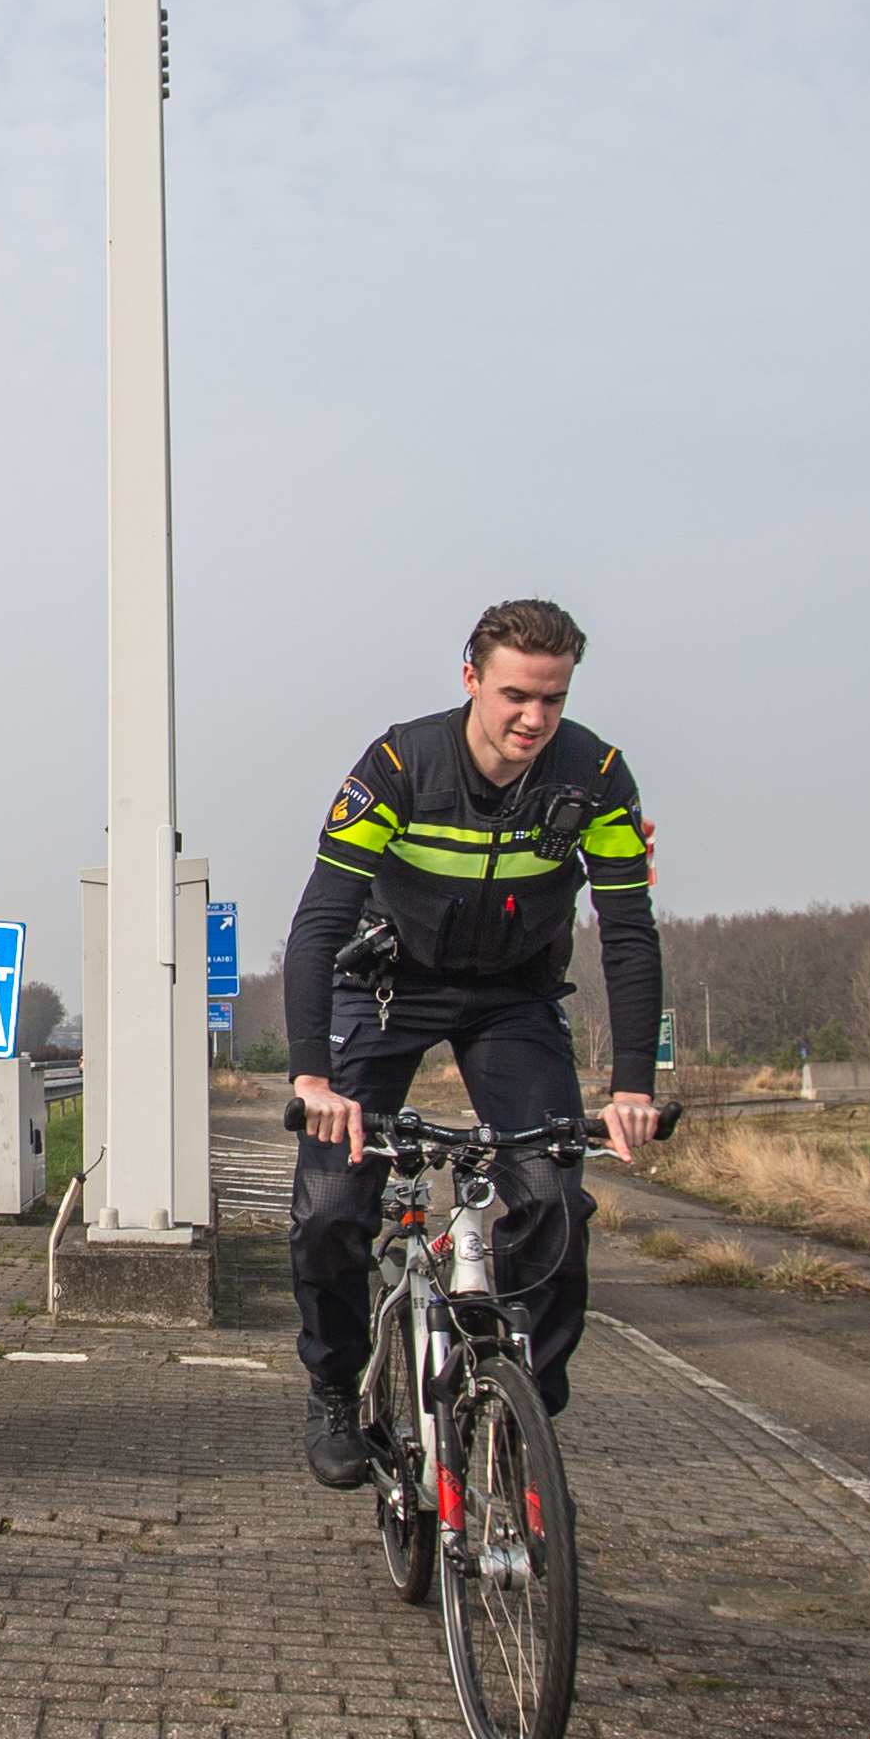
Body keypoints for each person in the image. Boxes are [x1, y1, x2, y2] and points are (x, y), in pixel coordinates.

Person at [283, 598, 662, 1486]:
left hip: (510, 1001)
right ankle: (335, 1384)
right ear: (470, 681)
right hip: (384, 991)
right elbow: (318, 920)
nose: (534, 719)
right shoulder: (399, 764)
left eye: (553, 700)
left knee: (555, 1199)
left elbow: (629, 931)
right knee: (335, 1207)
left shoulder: (595, 777)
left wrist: (634, 1085)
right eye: (515, 697)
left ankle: (523, 1395)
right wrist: (311, 1076)